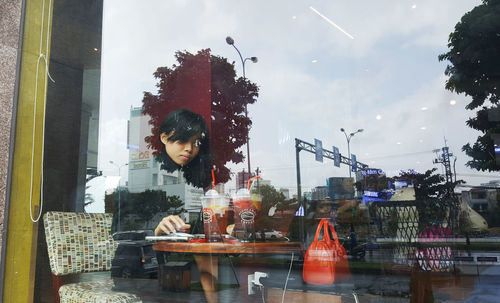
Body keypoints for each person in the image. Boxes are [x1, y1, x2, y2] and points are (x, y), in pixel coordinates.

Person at [154, 108, 212, 235]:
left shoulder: (201, 173)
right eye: (182, 140)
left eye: (196, 143)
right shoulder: (154, 170)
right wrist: (158, 232)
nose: (189, 148)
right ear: (164, 138)